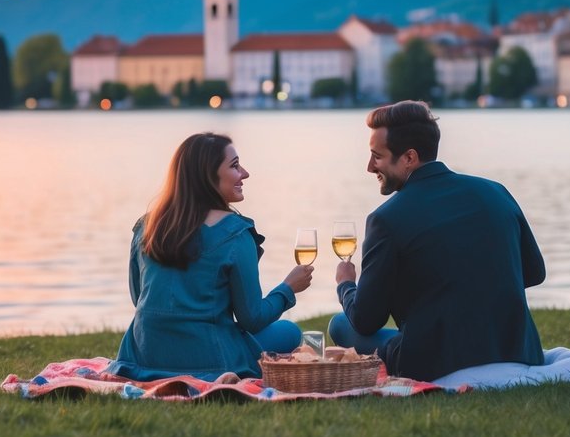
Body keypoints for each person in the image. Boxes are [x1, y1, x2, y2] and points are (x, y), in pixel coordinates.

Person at [329, 100, 545, 381]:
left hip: (438, 360)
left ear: (409, 157)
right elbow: (535, 273)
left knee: (340, 326)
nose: (370, 167)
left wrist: (345, 284)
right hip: (516, 349)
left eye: (377, 156)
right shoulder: (496, 192)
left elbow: (365, 320)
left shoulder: (386, 219)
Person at [107, 132, 312, 381]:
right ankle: (222, 374)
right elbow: (252, 318)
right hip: (210, 359)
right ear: (208, 176)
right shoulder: (235, 233)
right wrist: (288, 288)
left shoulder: (147, 227)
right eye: (235, 166)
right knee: (289, 332)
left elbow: (139, 297)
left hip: (142, 356)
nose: (245, 173)